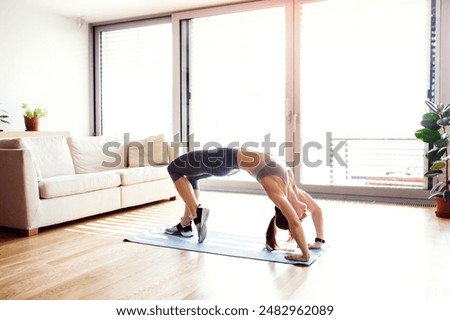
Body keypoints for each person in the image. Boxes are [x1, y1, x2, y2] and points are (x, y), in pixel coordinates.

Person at [164, 147, 324, 262]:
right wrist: (318, 241)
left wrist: (305, 254)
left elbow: (294, 223)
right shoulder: (291, 187)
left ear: (288, 211)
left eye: (301, 216)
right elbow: (316, 210)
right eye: (304, 216)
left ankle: (196, 213)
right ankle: (185, 225)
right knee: (191, 177)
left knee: (174, 168)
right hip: (228, 164)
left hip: (224, 159)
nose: (304, 215)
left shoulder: (276, 192)